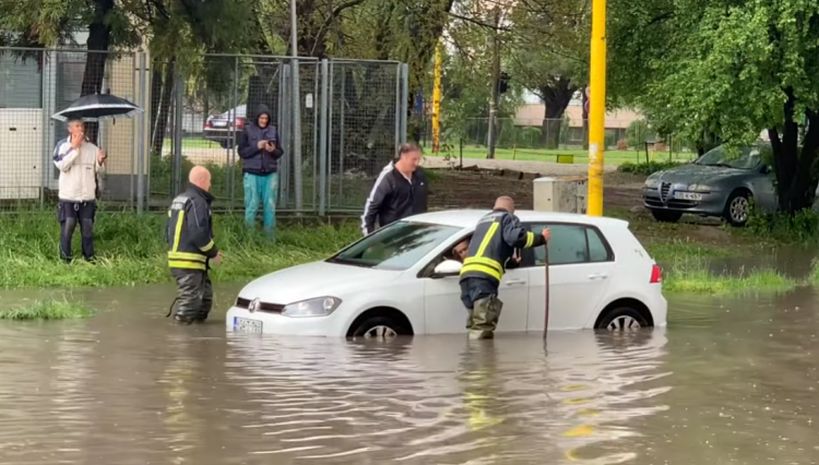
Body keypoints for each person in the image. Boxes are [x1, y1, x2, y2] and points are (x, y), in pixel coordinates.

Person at [459, 196, 551, 340]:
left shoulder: (483, 220)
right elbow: (515, 238)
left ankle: (470, 360)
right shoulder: (507, 218)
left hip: (467, 277)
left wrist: (510, 262)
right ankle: (482, 361)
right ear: (512, 210)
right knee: (483, 327)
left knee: (474, 325)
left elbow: (489, 248)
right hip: (484, 278)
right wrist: (541, 238)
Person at [166, 166, 223, 324]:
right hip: (189, 261)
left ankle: (195, 336)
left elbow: (167, 230)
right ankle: (181, 338)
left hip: (182, 258)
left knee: (204, 300)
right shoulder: (198, 202)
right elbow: (198, 232)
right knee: (190, 304)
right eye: (209, 181)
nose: (210, 185)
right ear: (202, 180)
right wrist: (213, 252)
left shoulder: (179, 199)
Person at [52, 118, 106, 263]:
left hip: (87, 197)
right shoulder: (62, 146)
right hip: (68, 197)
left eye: (82, 125)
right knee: (68, 226)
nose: (80, 128)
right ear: (70, 129)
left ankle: (89, 258)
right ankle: (65, 258)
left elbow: (100, 172)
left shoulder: (92, 148)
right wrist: (74, 148)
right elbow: (61, 165)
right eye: (76, 126)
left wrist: (100, 161)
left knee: (87, 227)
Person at [361, 143, 428, 235]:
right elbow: (372, 206)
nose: (417, 163)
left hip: (417, 232)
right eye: (414, 159)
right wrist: (368, 236)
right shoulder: (388, 177)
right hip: (393, 234)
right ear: (403, 157)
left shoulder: (420, 174)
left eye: (419, 159)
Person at [238, 104, 284, 235]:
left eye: (266, 118)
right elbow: (242, 152)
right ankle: (249, 237)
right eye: (261, 118)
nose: (264, 121)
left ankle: (269, 239)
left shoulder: (273, 130)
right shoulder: (247, 130)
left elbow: (280, 152)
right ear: (257, 118)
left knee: (269, 206)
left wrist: (272, 150)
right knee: (252, 205)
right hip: (251, 173)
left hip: (270, 173)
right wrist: (256, 147)